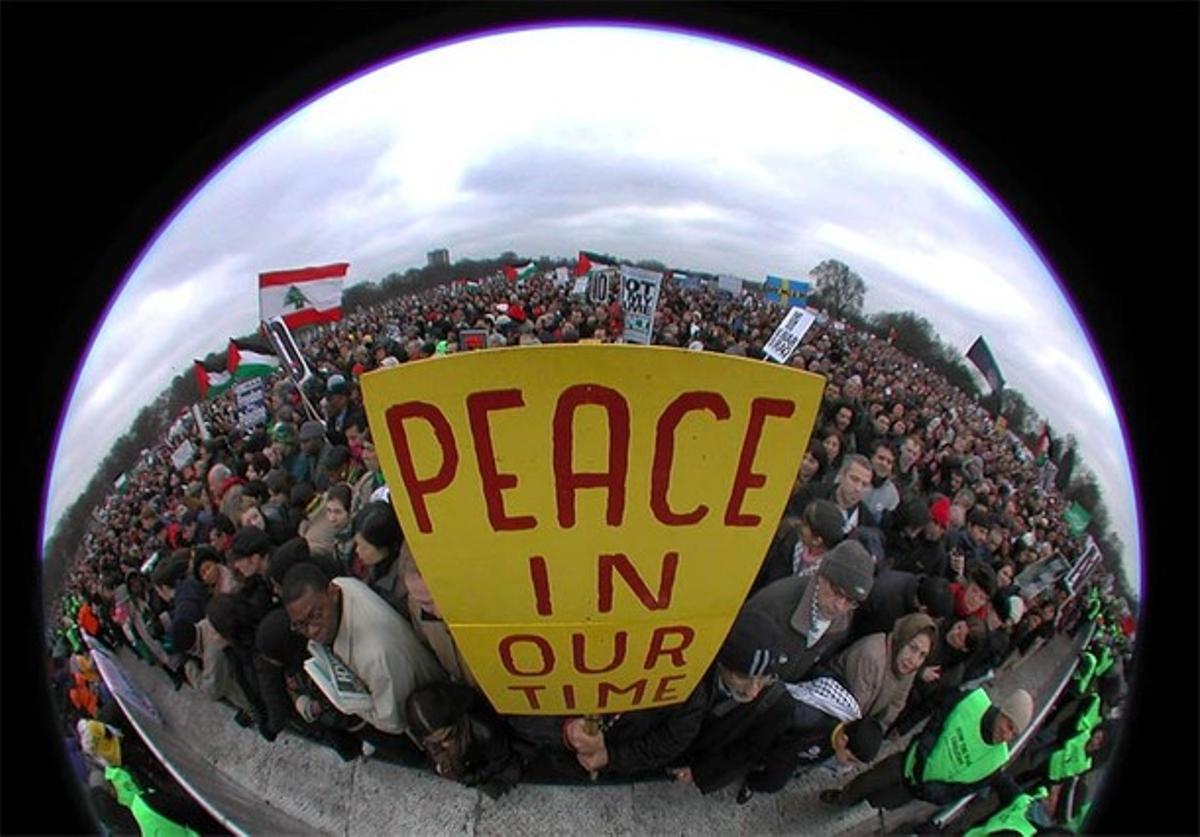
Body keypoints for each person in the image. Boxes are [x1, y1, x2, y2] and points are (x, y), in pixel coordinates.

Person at [281, 563, 444, 762]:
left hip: (428, 709)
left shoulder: (374, 654)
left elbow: (392, 720)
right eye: (300, 625)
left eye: (316, 615)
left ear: (332, 593)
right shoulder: (342, 585)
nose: (312, 631)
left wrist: (352, 706)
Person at [820, 686, 1033, 810]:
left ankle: (857, 804)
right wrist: (924, 749)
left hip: (919, 789)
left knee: (880, 803)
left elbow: (964, 790)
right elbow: (938, 719)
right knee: (869, 781)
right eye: (1008, 726)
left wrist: (936, 795)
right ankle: (843, 798)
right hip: (909, 761)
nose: (1006, 736)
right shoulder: (971, 701)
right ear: (1002, 712)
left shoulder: (996, 760)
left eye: (1014, 734)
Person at [740, 540, 876, 685]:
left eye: (851, 600)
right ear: (821, 577)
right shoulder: (774, 606)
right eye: (836, 592)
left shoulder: (842, 622)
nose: (840, 606)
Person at [406, 682, 526, 798]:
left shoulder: (484, 730)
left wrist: (473, 777)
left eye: (447, 736)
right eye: (433, 741)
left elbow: (500, 760)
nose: (442, 744)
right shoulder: (429, 732)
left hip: (486, 757)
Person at [826, 612, 938, 730]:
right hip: (830, 710)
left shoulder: (908, 666)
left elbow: (896, 705)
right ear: (903, 637)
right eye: (913, 648)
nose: (914, 660)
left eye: (922, 655)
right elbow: (853, 707)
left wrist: (877, 730)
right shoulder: (872, 655)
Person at [750, 499, 845, 595]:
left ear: (817, 540)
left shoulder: (825, 574)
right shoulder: (790, 540)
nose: (800, 525)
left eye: (805, 525)